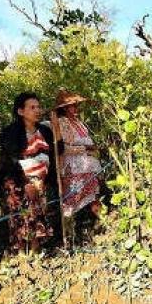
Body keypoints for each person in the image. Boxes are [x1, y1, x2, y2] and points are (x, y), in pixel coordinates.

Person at [0, 92, 60, 253]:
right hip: (17, 182)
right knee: (20, 218)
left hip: (40, 182)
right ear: (20, 111)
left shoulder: (45, 130)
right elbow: (10, 160)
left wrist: (56, 127)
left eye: (38, 107)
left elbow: (58, 151)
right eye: (32, 107)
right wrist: (25, 183)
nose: (37, 110)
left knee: (38, 217)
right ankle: (22, 254)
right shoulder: (10, 132)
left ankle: (36, 252)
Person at [50, 89, 101, 218]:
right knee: (72, 202)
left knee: (93, 197)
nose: (76, 108)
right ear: (65, 108)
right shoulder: (62, 123)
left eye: (76, 105)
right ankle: (73, 230)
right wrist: (86, 148)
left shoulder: (78, 122)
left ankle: (100, 220)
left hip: (88, 165)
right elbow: (64, 148)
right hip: (74, 168)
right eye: (73, 105)